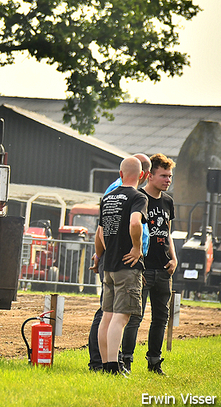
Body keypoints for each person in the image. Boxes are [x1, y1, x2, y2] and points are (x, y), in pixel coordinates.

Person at [87, 153, 151, 372]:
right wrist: (135, 248)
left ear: (120, 174)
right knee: (121, 318)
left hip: (109, 264)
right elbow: (135, 223)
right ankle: (114, 365)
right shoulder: (138, 197)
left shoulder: (108, 197)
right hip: (127, 265)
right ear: (142, 174)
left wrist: (101, 256)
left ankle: (104, 364)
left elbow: (101, 232)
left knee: (107, 316)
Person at [120, 153, 177, 375]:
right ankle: (126, 361)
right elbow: (130, 232)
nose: (168, 180)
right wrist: (137, 265)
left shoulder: (168, 202)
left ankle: (154, 362)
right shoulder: (138, 198)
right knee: (135, 317)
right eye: (163, 175)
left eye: (170, 176)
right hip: (143, 269)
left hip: (164, 269)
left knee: (161, 318)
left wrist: (174, 258)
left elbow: (167, 232)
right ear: (149, 175)